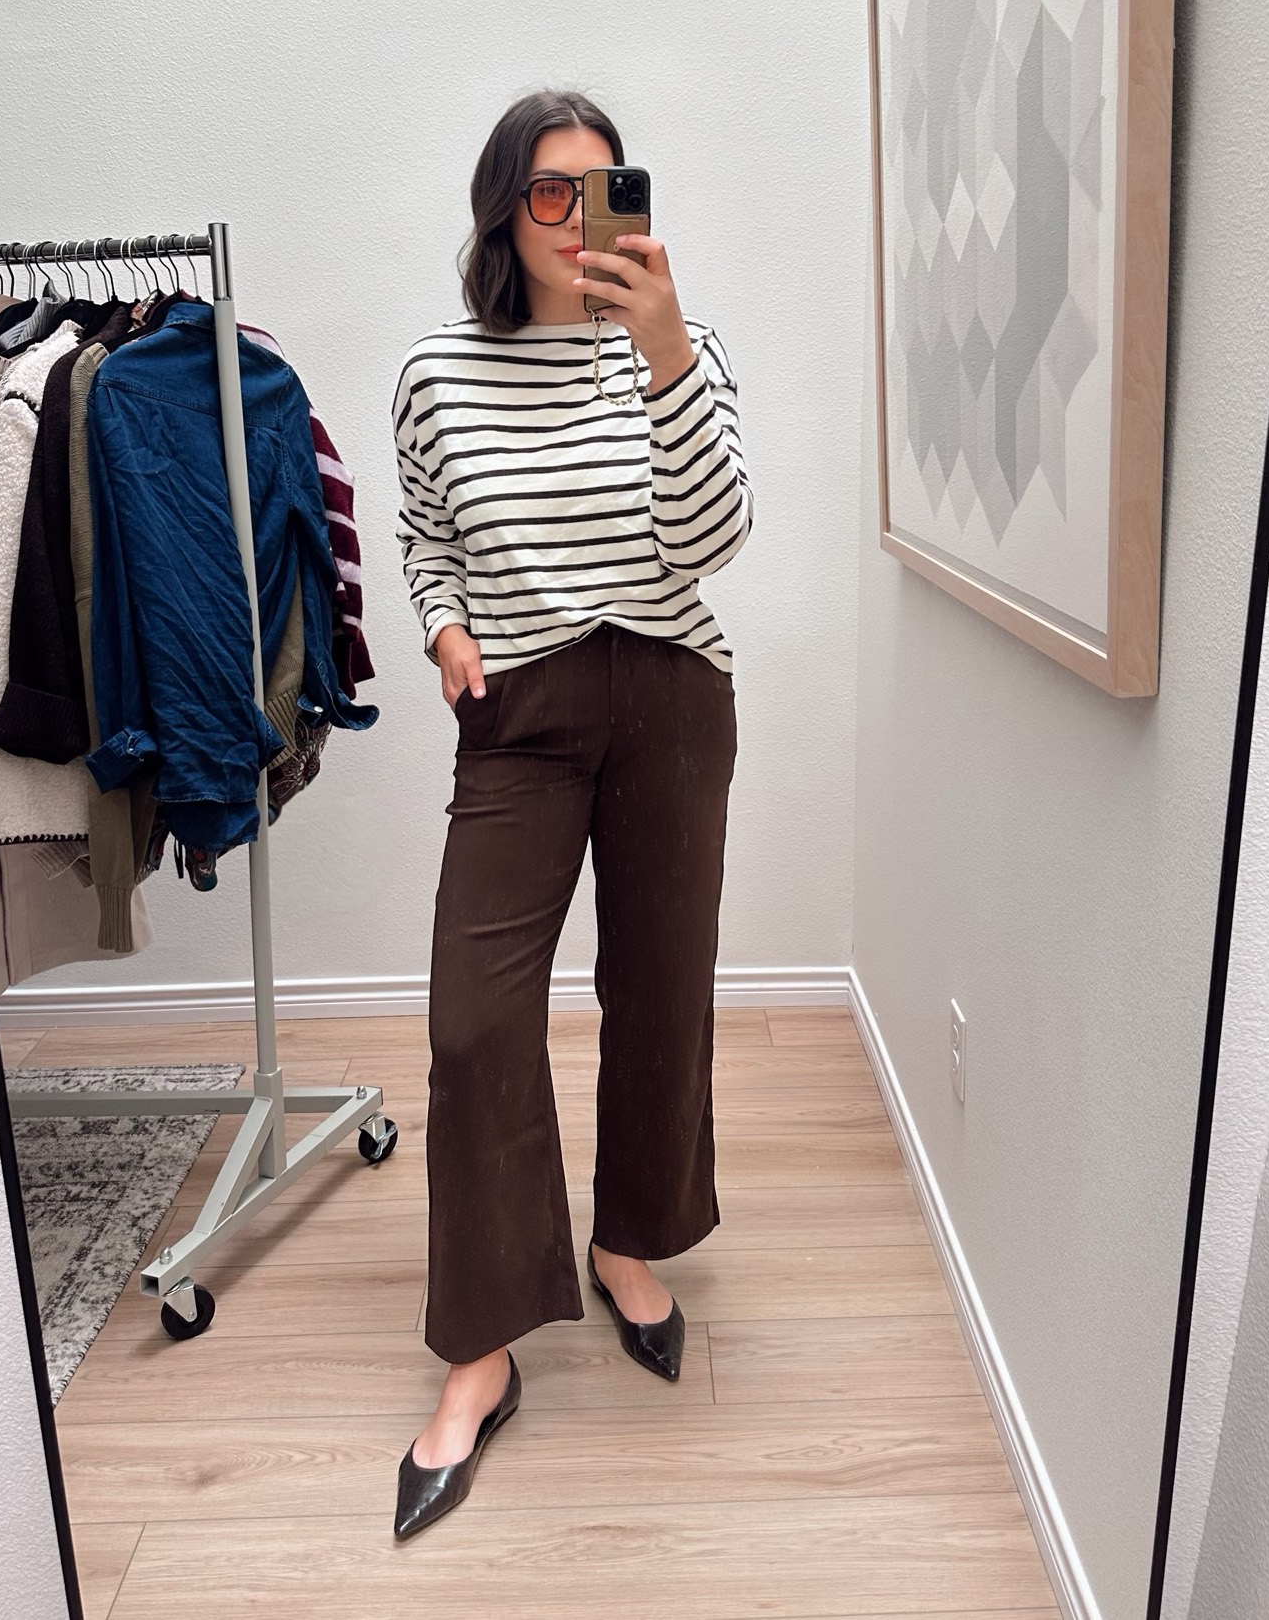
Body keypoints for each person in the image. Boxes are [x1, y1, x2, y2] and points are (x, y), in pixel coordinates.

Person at [390, 88, 752, 1539]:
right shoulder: (436, 369)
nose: (576, 216)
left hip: (670, 692)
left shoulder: (678, 350)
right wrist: (443, 627)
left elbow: (715, 538)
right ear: (505, 208)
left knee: (661, 987)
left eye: (604, 189)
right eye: (549, 190)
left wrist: (664, 354)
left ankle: (628, 1240)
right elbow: (424, 534)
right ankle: (482, 1349)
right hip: (523, 718)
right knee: (474, 1019)